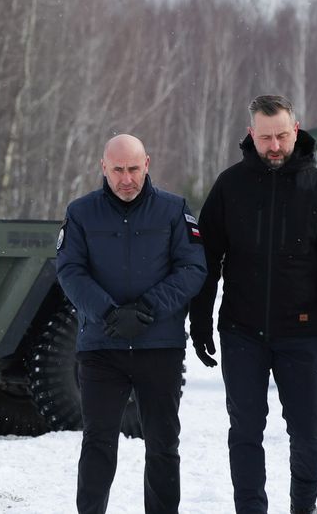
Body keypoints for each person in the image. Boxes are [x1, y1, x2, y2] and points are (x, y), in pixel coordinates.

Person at [189, 95, 317, 514]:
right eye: (265, 138)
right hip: (241, 331)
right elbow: (205, 261)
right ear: (251, 135)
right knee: (244, 430)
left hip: (301, 330)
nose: (274, 146)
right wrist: (200, 320)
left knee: (308, 431)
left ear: (295, 131)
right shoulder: (230, 185)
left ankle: (303, 507)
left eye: (281, 135)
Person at [56, 134, 208, 514]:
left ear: (148, 164)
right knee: (98, 442)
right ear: (103, 168)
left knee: (162, 445)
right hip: (101, 348)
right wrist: (107, 313)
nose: (127, 179)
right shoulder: (80, 213)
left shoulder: (173, 211)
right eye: (119, 170)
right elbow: (70, 270)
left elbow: (193, 268)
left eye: (134, 169)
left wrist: (147, 309)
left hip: (159, 347)